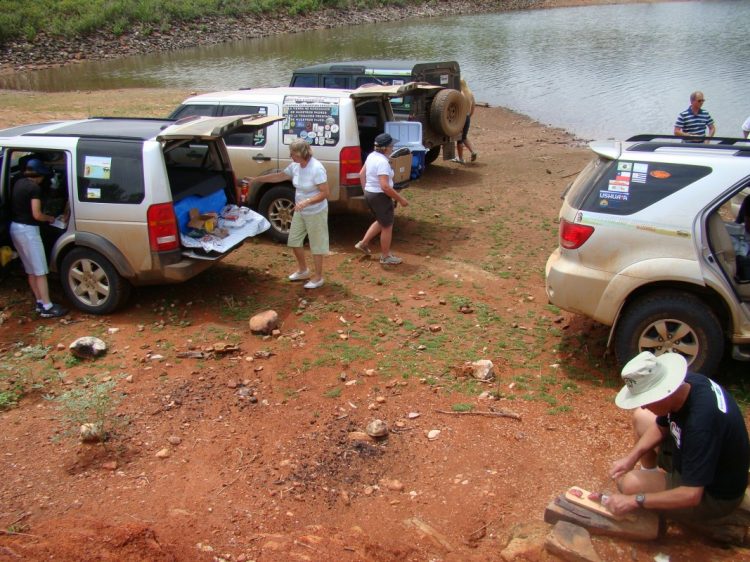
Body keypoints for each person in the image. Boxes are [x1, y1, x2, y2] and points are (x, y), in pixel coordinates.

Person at [606, 351, 749, 522]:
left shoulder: (701, 424)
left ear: (663, 394)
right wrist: (631, 457)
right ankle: (652, 479)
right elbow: (661, 426)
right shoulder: (688, 385)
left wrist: (637, 499)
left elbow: (692, 494)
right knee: (641, 418)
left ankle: (651, 495)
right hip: (695, 456)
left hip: (714, 495)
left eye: (646, 400)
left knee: (630, 485)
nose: (644, 405)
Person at [244, 139, 329, 289]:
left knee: (317, 244)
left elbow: (324, 193)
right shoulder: (295, 166)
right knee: (294, 240)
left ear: (302, 153)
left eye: (293, 153)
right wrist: (256, 180)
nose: (290, 156)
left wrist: (307, 202)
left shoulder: (317, 168)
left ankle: (318, 277)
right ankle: (303, 270)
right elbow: (280, 176)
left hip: (315, 211)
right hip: (300, 210)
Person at [9, 158, 68, 317]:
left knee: (31, 270)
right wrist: (49, 218)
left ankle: (40, 302)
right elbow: (36, 214)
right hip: (29, 232)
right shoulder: (34, 189)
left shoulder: (18, 182)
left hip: (15, 228)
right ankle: (48, 307)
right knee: (41, 271)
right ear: (39, 175)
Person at [355, 133, 409, 265]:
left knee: (381, 221)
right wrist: (400, 199)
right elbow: (385, 186)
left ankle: (363, 243)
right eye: (391, 145)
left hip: (370, 194)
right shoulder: (383, 162)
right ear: (385, 148)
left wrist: (366, 190)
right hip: (380, 196)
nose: (392, 147)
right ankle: (385, 257)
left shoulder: (371, 156)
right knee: (387, 226)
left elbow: (361, 174)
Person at [452, 78, 478, 164]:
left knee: (459, 138)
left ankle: (460, 158)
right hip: (467, 117)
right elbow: (473, 108)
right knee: (464, 137)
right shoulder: (470, 93)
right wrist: (469, 117)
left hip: (461, 118)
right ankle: (473, 152)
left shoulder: (460, 94)